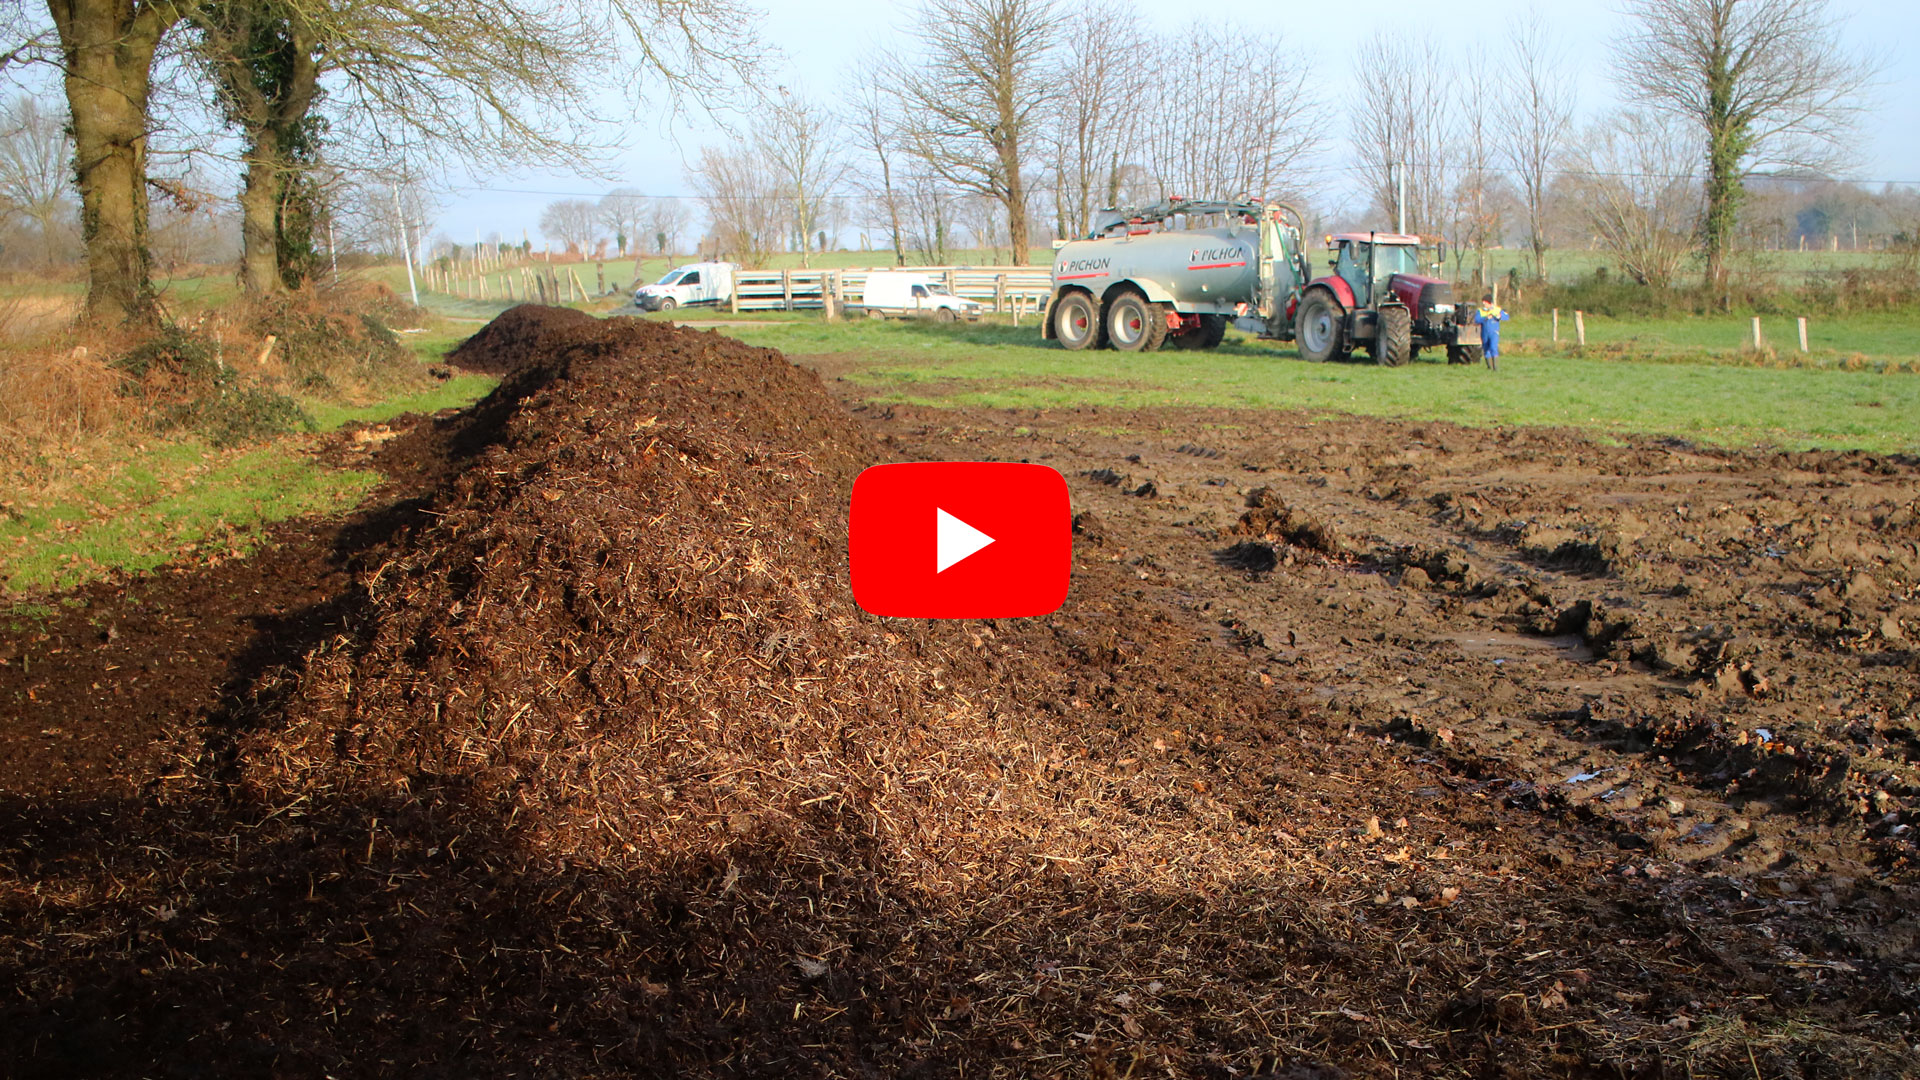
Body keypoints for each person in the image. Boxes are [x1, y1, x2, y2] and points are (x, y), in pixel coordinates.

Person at [1474, 293, 1509, 371]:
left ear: (1489, 302)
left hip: (1494, 332)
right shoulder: (1480, 311)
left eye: (1485, 302)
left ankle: (1496, 368)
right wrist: (1485, 318)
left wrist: (1499, 316)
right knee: (1486, 349)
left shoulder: (1497, 309)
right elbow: (1476, 320)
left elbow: (1506, 317)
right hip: (1484, 333)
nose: (1483, 304)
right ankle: (1489, 367)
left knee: (1493, 347)